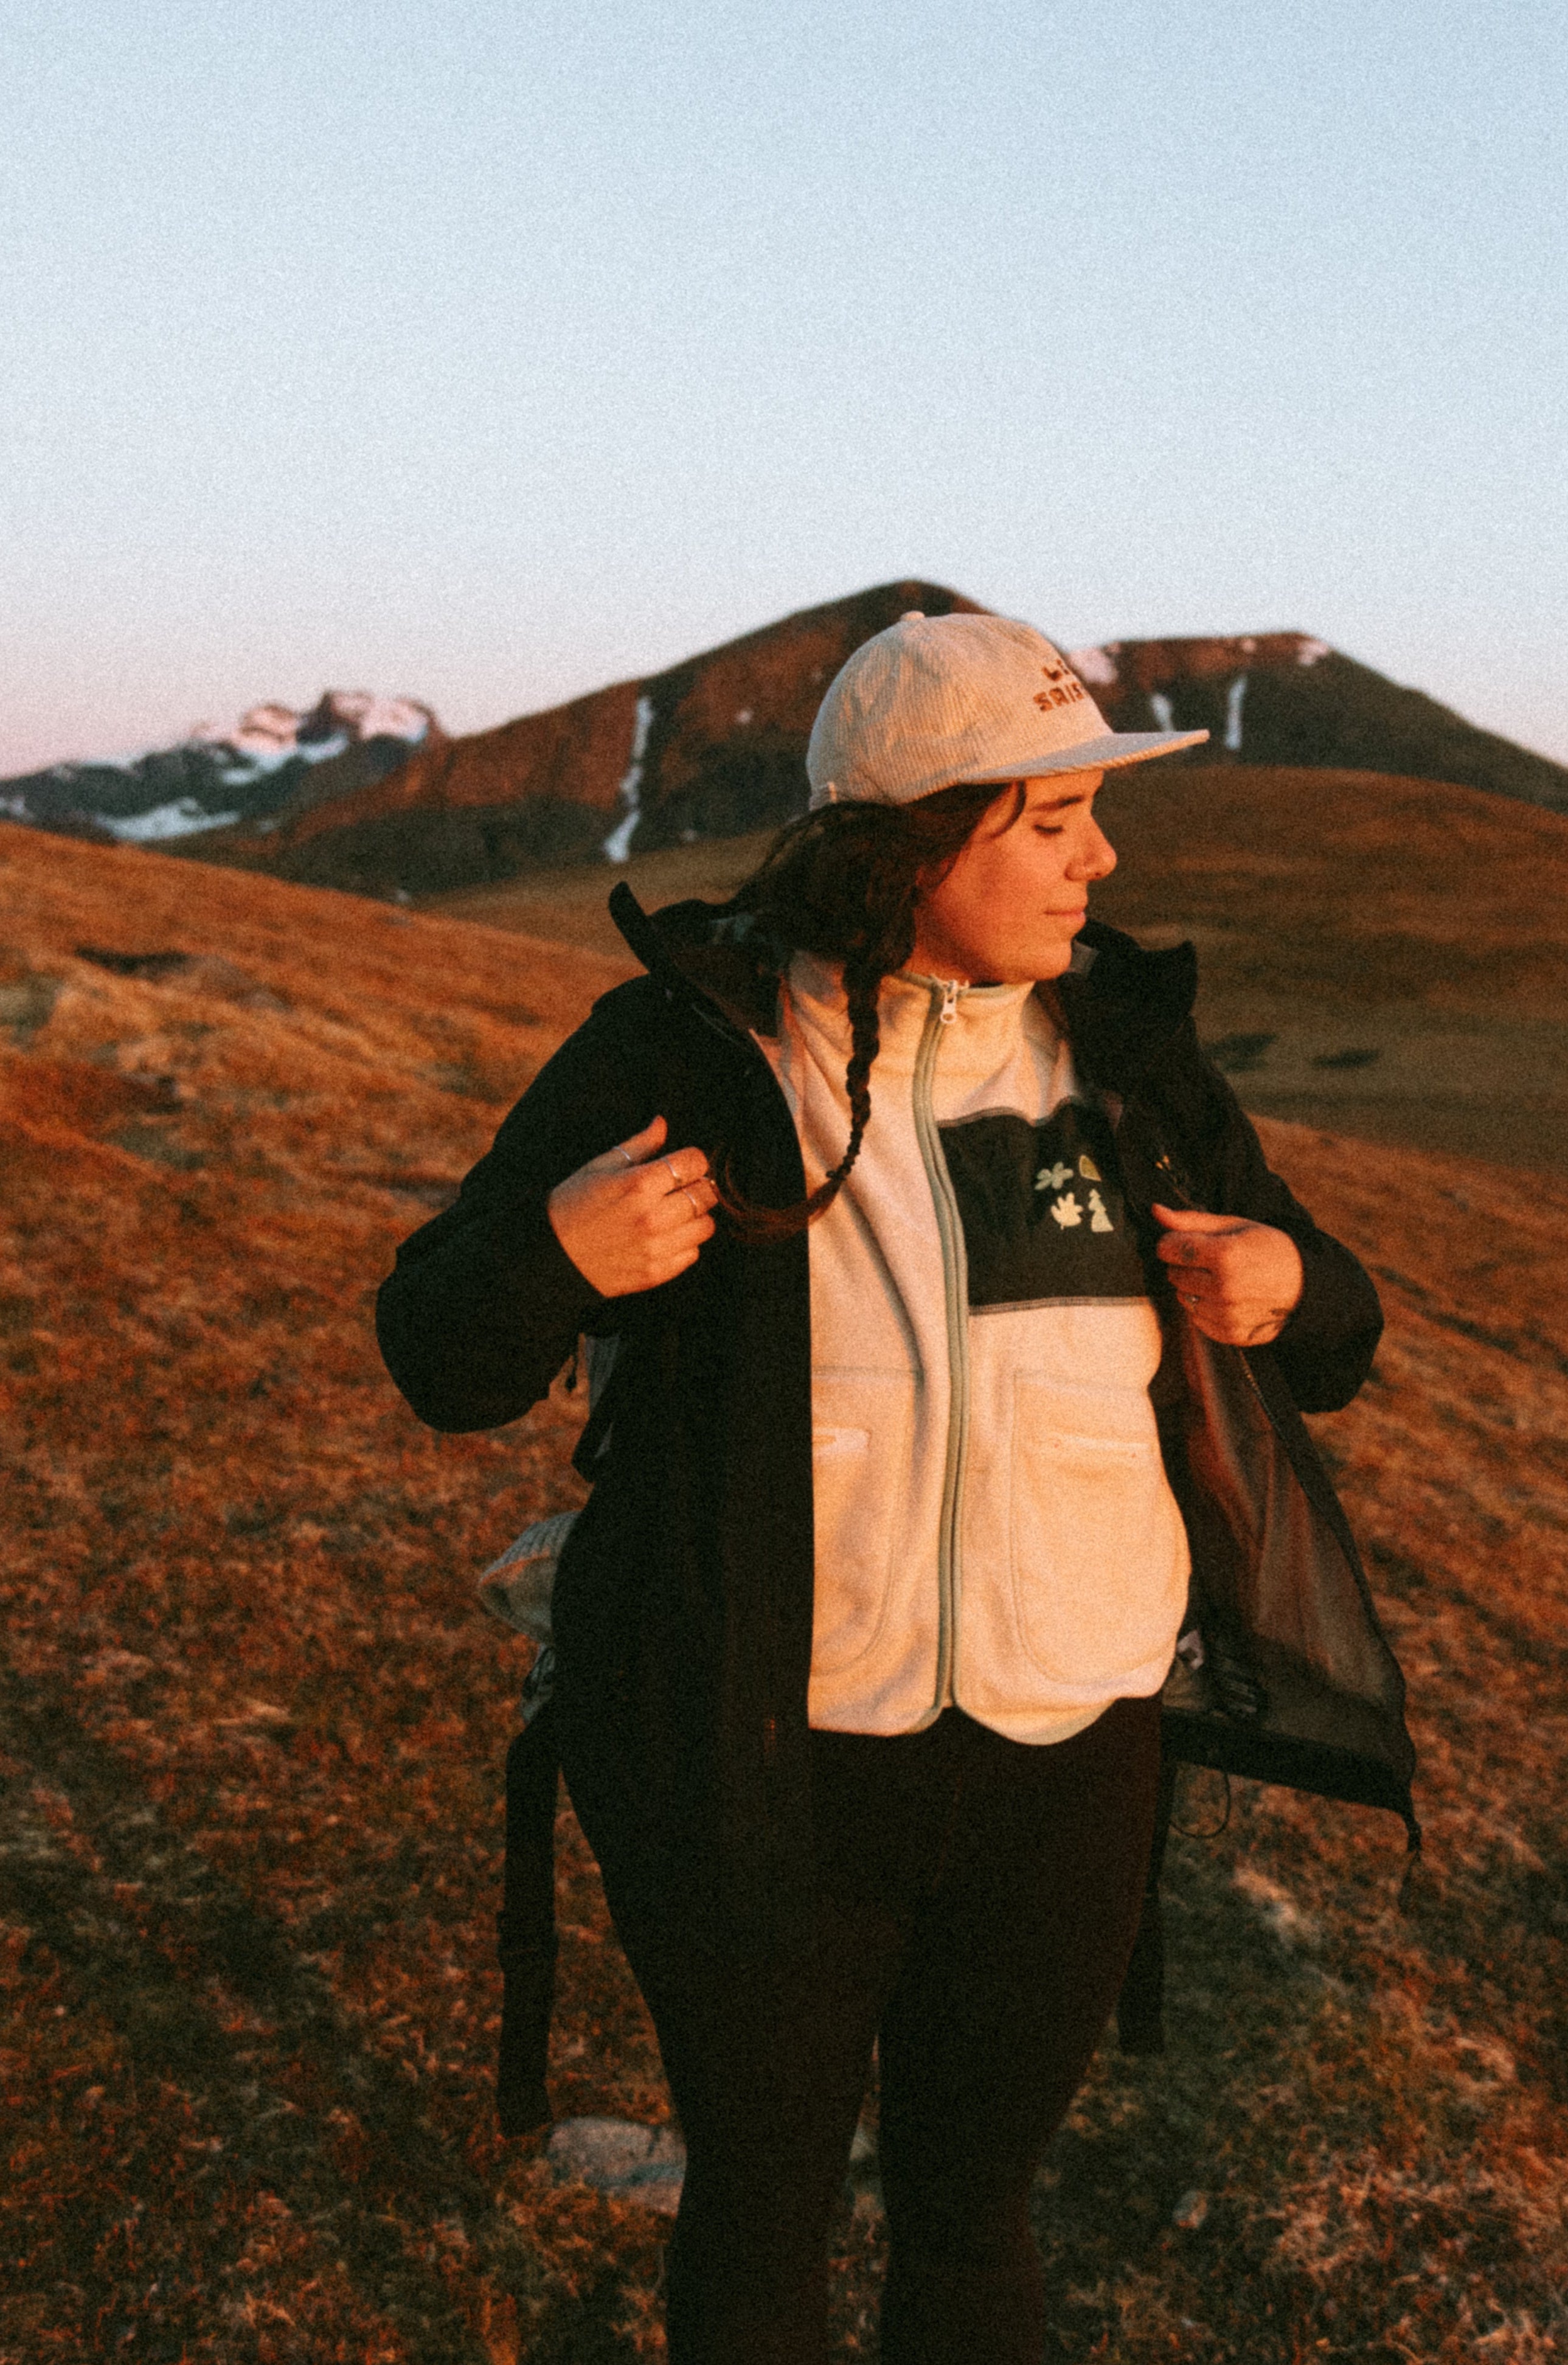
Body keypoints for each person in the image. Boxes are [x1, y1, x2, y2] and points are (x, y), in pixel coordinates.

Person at [376, 610, 1412, 2365]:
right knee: (760, 2217)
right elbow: (438, 1353)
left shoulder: (1129, 1063)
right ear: (911, 843)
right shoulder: (688, 1049)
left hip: (1069, 1768)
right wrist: (557, 1255)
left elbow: (1334, 1332)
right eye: (1053, 818)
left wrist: (1293, 1285)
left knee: (975, 2219)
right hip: (765, 1768)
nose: (1102, 858)